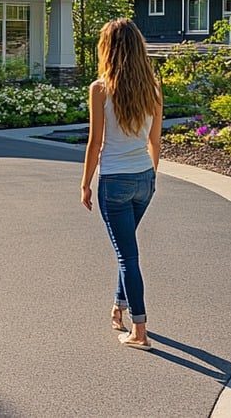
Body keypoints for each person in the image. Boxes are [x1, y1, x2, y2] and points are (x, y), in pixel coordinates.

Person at [80, 18, 162, 350]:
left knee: (128, 255)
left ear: (108, 49)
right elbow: (155, 141)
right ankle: (119, 307)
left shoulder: (100, 89)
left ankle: (139, 332)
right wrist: (151, 176)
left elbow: (95, 143)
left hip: (114, 181)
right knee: (125, 248)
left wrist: (85, 184)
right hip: (144, 180)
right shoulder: (153, 88)